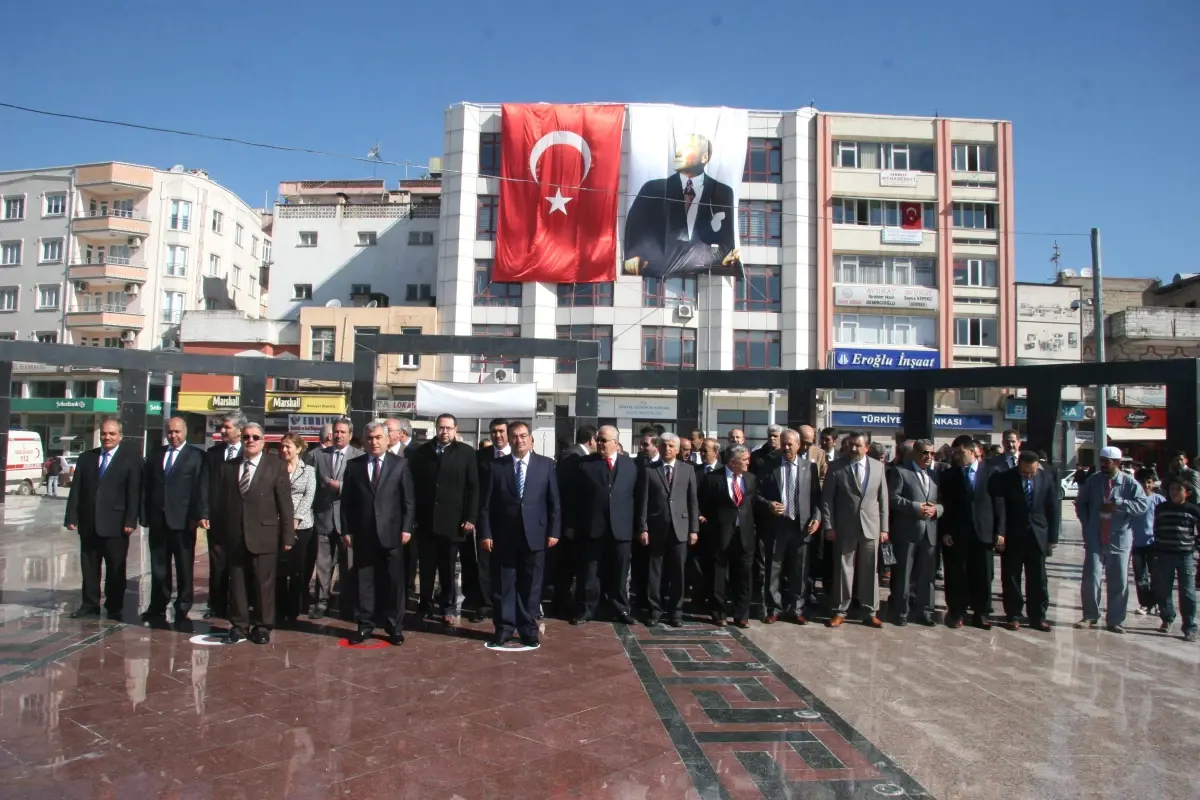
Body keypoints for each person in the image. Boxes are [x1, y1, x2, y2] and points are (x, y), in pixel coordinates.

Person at [478, 421, 560, 649]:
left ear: (531, 439)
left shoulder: (546, 465)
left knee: (531, 585)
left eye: (523, 436)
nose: (519, 440)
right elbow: (485, 505)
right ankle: (504, 629)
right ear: (509, 439)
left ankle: (528, 629)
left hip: (536, 534)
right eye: (514, 436)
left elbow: (554, 502)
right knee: (504, 585)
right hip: (504, 536)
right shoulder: (496, 467)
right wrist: (485, 532)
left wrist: (554, 530)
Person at [212, 422, 294, 644]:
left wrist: (288, 535)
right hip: (235, 535)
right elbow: (221, 504)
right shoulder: (228, 467)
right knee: (236, 581)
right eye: (246, 437)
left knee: (263, 582)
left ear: (263, 441)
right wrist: (218, 536)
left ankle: (262, 625)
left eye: (255, 437)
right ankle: (239, 625)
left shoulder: (275, 466)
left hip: (264, 534)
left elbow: (285, 504)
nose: (250, 441)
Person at [622, 133, 737, 278]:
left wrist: (721, 259)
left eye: (687, 148)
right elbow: (635, 230)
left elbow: (726, 241)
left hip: (701, 272)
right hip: (656, 268)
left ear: (704, 157)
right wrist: (633, 256)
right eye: (678, 148)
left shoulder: (722, 192)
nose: (678, 152)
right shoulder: (653, 189)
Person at [342, 422, 415, 646]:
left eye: (378, 438)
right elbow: (347, 503)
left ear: (387, 439)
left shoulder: (399, 464)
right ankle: (365, 625)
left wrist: (406, 528)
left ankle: (394, 626)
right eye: (370, 438)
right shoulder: (354, 466)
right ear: (364, 441)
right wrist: (347, 530)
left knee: (393, 582)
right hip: (363, 534)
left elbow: (408, 500)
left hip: (392, 533)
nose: (374, 442)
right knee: (364, 581)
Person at [64, 418, 143, 620]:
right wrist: (71, 517)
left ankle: (114, 606)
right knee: (89, 566)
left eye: (112, 434)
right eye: (104, 434)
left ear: (120, 436)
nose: (107, 437)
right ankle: (89, 604)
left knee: (116, 567)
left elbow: (134, 492)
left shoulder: (131, 459)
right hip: (89, 523)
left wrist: (130, 520)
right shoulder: (86, 458)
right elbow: (77, 490)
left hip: (116, 524)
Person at [409, 413, 479, 625]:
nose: (445, 432)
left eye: (449, 428)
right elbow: (414, 487)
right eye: (441, 428)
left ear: (456, 430)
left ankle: (448, 607)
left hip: (454, 521)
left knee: (448, 568)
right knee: (427, 568)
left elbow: (473, 488)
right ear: (436, 429)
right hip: (427, 520)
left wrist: (470, 517)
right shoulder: (422, 453)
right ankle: (425, 605)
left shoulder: (466, 453)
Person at [1074, 445, 1151, 633]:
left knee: (1119, 580)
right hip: (1095, 535)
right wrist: (1087, 524)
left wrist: (1119, 504)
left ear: (1117, 463)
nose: (1103, 465)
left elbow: (1142, 505)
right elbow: (1081, 504)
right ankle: (1090, 615)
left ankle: (1116, 620)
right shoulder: (1093, 481)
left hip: (1120, 537)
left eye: (1107, 462)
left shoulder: (1129, 483)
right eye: (1101, 461)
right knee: (1091, 577)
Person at [141, 416, 208, 624]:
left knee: (184, 566)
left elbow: (201, 489)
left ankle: (183, 606)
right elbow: (146, 487)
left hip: (183, 521)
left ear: (185, 432)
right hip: (158, 521)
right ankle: (158, 606)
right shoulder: (155, 455)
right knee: (159, 567)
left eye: (177, 431)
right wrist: (144, 515)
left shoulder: (197, 456)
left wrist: (199, 515)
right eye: (170, 432)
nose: (173, 435)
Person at [568, 425, 637, 625]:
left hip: (621, 528)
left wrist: (639, 526)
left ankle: (620, 609)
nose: (599, 443)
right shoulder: (584, 464)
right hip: (592, 527)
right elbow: (574, 497)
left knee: (619, 572)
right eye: (598, 439)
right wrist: (572, 524)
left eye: (604, 440)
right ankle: (586, 609)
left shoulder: (630, 465)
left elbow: (638, 497)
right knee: (590, 572)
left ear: (616, 442)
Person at [821, 432, 889, 628]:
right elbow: (827, 501)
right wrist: (829, 526)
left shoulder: (878, 467)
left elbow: (883, 499)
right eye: (851, 445)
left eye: (858, 445)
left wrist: (884, 528)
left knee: (870, 571)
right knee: (844, 570)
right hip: (844, 527)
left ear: (866, 447)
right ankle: (840, 611)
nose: (853, 449)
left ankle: (870, 611)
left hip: (871, 527)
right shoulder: (836, 467)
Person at [756, 429, 821, 625]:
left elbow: (817, 497)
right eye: (783, 444)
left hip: (801, 527)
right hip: (777, 526)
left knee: (799, 570)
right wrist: (768, 505)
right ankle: (773, 608)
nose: (786, 447)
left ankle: (797, 608)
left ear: (798, 445)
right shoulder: (769, 467)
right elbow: (756, 495)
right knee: (773, 568)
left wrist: (816, 518)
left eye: (789, 444)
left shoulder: (809, 468)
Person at [990, 451, 1059, 632]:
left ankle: (1038, 616)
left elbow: (1053, 508)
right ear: (1018, 464)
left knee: (1038, 579)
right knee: (1011, 577)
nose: (1029, 476)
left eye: (1032, 472)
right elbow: (1001, 507)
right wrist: (1000, 533)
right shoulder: (1005, 478)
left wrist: (1052, 538)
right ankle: (1013, 615)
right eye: (1025, 472)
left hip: (1038, 535)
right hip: (1013, 535)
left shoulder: (1046, 477)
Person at [635, 433, 699, 627]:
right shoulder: (649, 470)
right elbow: (643, 502)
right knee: (655, 572)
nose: (667, 449)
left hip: (680, 528)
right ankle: (654, 610)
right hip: (657, 529)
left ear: (678, 449)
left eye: (671, 446)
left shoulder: (688, 470)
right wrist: (643, 527)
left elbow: (692, 501)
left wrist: (694, 529)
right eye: (664, 446)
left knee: (678, 572)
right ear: (659, 448)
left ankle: (676, 612)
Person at [939, 434, 1000, 629]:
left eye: (960, 452)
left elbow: (999, 506)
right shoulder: (950, 475)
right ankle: (957, 612)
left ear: (973, 451)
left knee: (983, 574)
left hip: (983, 532)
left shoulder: (991, 473)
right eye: (955, 452)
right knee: (958, 574)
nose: (957, 456)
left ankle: (981, 613)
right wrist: (946, 530)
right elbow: (946, 505)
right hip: (958, 533)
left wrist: (1000, 532)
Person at [699, 444, 758, 628]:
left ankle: (741, 615)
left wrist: (770, 505)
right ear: (733, 462)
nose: (749, 462)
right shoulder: (712, 479)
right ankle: (719, 613)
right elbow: (701, 502)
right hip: (720, 534)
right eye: (745, 459)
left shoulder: (751, 478)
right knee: (719, 575)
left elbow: (754, 501)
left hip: (745, 534)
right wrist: (700, 517)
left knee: (744, 576)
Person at [887, 439, 943, 627]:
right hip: (907, 532)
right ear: (915, 453)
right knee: (903, 574)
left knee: (927, 576)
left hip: (930, 532)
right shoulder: (901, 473)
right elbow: (893, 498)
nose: (928, 457)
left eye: (932, 453)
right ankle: (901, 611)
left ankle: (925, 611)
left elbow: (943, 502)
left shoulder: (936, 475)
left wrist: (937, 510)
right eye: (925, 453)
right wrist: (914, 507)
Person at [310, 418, 362, 620]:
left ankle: (346, 604)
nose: (338, 435)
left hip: (347, 521)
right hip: (323, 518)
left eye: (342, 432)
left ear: (350, 434)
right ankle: (321, 602)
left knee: (347, 565)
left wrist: (340, 487)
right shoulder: (317, 455)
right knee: (323, 565)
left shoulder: (359, 457)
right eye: (336, 431)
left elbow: (360, 489)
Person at [462, 419, 512, 623]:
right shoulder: (480, 457)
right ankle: (487, 603)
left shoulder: (517, 454)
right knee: (485, 561)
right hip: (486, 517)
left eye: (501, 431)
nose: (497, 435)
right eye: (494, 432)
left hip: (511, 517)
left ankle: (508, 601)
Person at [550, 425, 596, 617]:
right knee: (566, 565)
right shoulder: (572, 456)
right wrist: (568, 523)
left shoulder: (576, 454)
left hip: (578, 521)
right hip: (570, 523)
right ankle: (561, 601)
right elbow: (566, 492)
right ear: (591, 440)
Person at [204, 413, 245, 620]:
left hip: (242, 520)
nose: (222, 431)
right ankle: (216, 605)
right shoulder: (212, 454)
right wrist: (204, 512)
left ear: (239, 430)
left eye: (227, 427)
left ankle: (240, 606)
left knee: (239, 565)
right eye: (222, 427)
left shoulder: (250, 452)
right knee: (217, 564)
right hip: (217, 519)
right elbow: (205, 485)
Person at [1150, 479, 1199, 642]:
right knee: (1164, 589)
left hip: (1185, 556)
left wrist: (1195, 548)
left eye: (1178, 489)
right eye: (1172, 488)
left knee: (1187, 592)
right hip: (1164, 554)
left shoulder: (1193, 510)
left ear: (1187, 493)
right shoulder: (1161, 509)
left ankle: (1189, 626)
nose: (1174, 492)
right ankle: (1167, 618)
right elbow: (1156, 529)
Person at [277, 433, 316, 625]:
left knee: (297, 569)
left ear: (298, 448)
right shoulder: (275, 469)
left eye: (288, 446)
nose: (284, 450)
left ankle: (294, 609)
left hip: (302, 526)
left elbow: (309, 497)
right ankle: (278, 607)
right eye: (282, 446)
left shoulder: (308, 470)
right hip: (277, 523)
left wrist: (295, 520)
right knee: (279, 569)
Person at [1131, 468, 1165, 616]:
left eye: (1149, 482)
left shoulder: (1159, 500)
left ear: (1153, 483)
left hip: (1154, 544)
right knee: (1141, 576)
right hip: (1137, 544)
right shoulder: (1134, 500)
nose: (1146, 484)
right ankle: (1145, 604)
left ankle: (1157, 603)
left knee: (1156, 575)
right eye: (1142, 482)